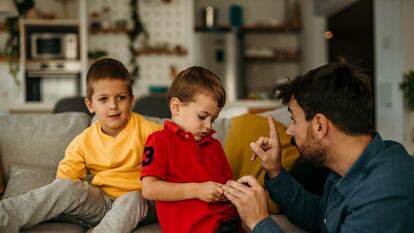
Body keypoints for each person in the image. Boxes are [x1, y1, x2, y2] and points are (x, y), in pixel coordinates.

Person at [222, 61, 414, 233]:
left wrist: (259, 222)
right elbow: (320, 218)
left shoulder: (384, 194)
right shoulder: (349, 166)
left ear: (320, 126)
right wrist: (275, 172)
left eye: (293, 120)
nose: (289, 131)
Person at [0, 58, 162, 233]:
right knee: (66, 188)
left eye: (121, 98)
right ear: (90, 104)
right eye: (103, 99)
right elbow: (65, 182)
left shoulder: (150, 132)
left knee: (131, 199)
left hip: (140, 203)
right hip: (103, 202)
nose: (113, 106)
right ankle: (5, 217)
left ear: (131, 100)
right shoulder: (83, 141)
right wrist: (64, 196)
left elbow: (176, 160)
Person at [140, 66, 243, 233]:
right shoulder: (159, 140)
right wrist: (197, 190)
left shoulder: (214, 145)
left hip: (229, 223)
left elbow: (227, 185)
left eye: (213, 119)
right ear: (176, 107)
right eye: (202, 116)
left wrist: (237, 190)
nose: (208, 126)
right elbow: (149, 189)